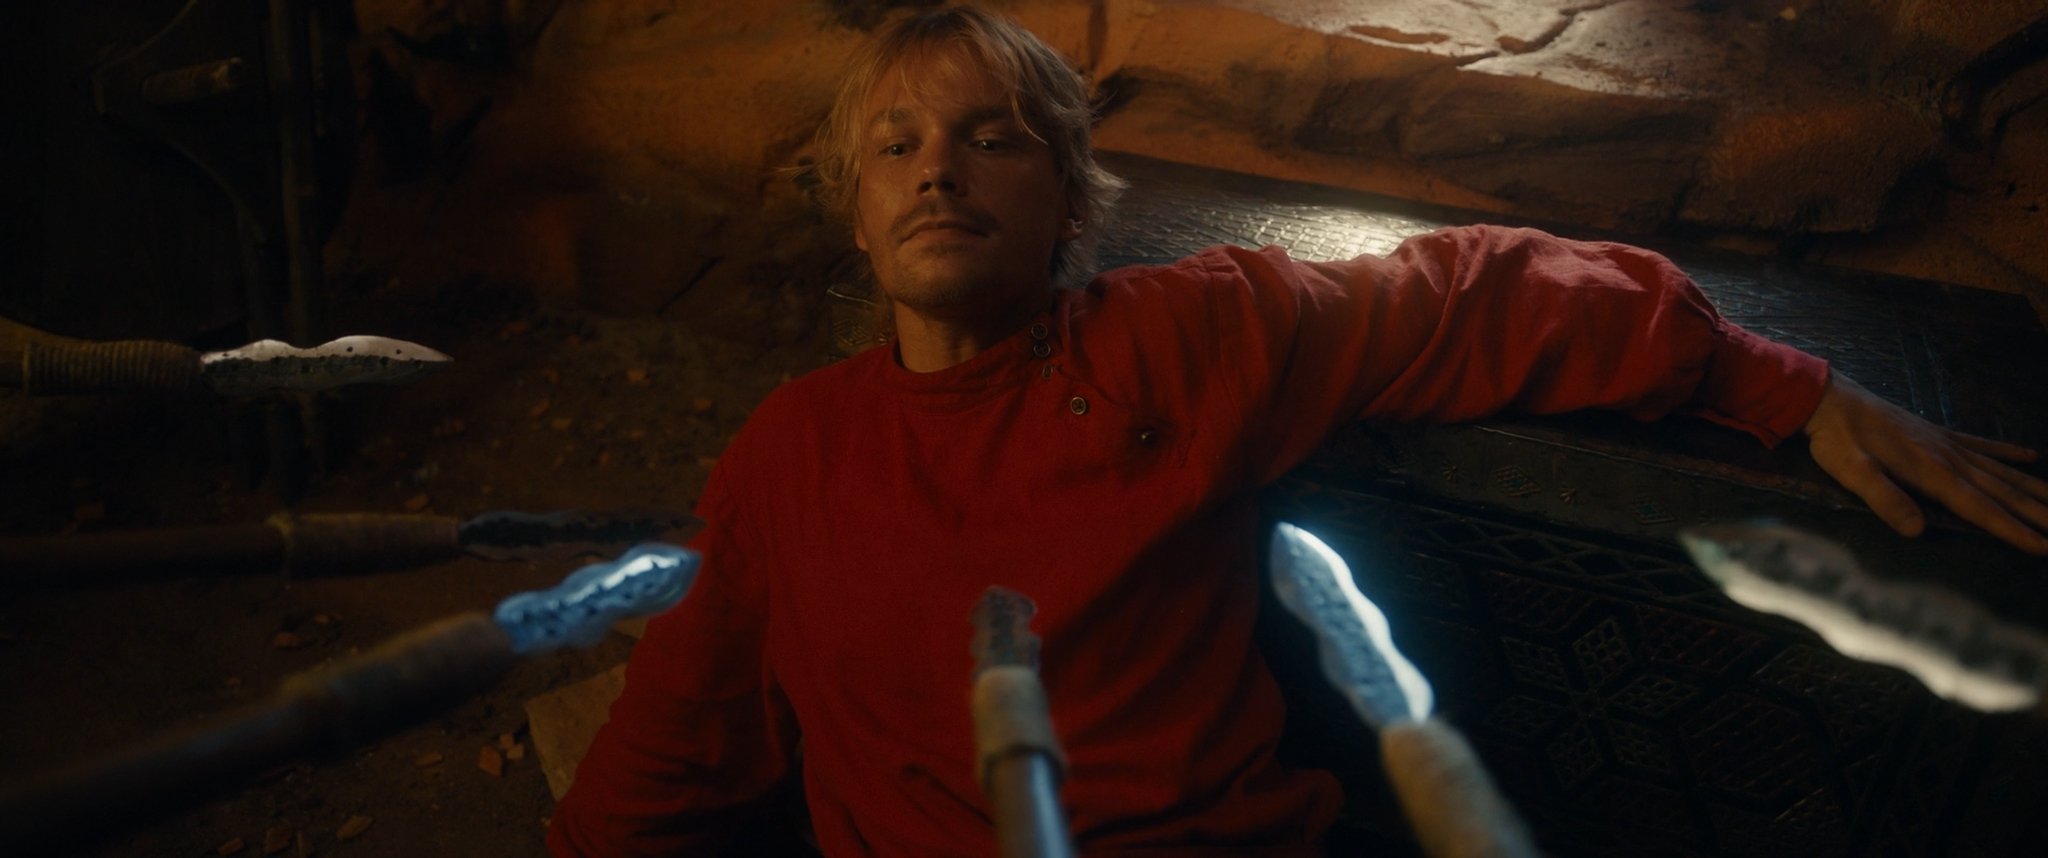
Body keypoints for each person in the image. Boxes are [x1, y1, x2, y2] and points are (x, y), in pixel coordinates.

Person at [548, 6, 2048, 856]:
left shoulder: (1181, 336)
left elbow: (1470, 291)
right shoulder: (792, 452)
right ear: (859, 215)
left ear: (1068, 204)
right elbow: (680, 733)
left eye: (991, 138)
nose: (938, 169)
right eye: (897, 147)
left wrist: (1783, 384)